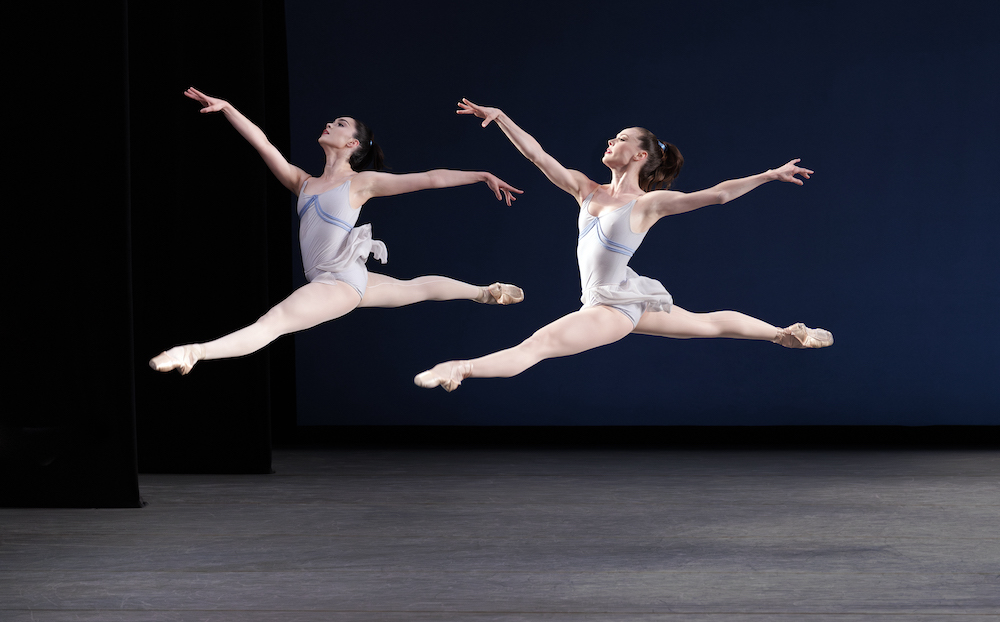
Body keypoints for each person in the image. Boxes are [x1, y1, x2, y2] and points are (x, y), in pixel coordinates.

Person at [414, 99, 832, 392]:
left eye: (621, 139)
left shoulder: (648, 204)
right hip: (619, 297)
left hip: (611, 308)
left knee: (537, 346)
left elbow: (717, 195)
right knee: (706, 323)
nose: (610, 142)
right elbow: (538, 156)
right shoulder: (586, 189)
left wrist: (767, 175)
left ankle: (460, 368)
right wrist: (501, 116)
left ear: (640, 156)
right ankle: (784, 334)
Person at [150, 88, 525, 375]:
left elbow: (429, 178)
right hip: (342, 277)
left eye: (341, 124)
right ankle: (483, 293)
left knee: (274, 323)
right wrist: (229, 108)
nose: (331, 123)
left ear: (353, 144)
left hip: (337, 284)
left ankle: (193, 352)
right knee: (415, 288)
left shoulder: (361, 184)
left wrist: (481, 175)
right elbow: (262, 142)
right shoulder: (304, 183)